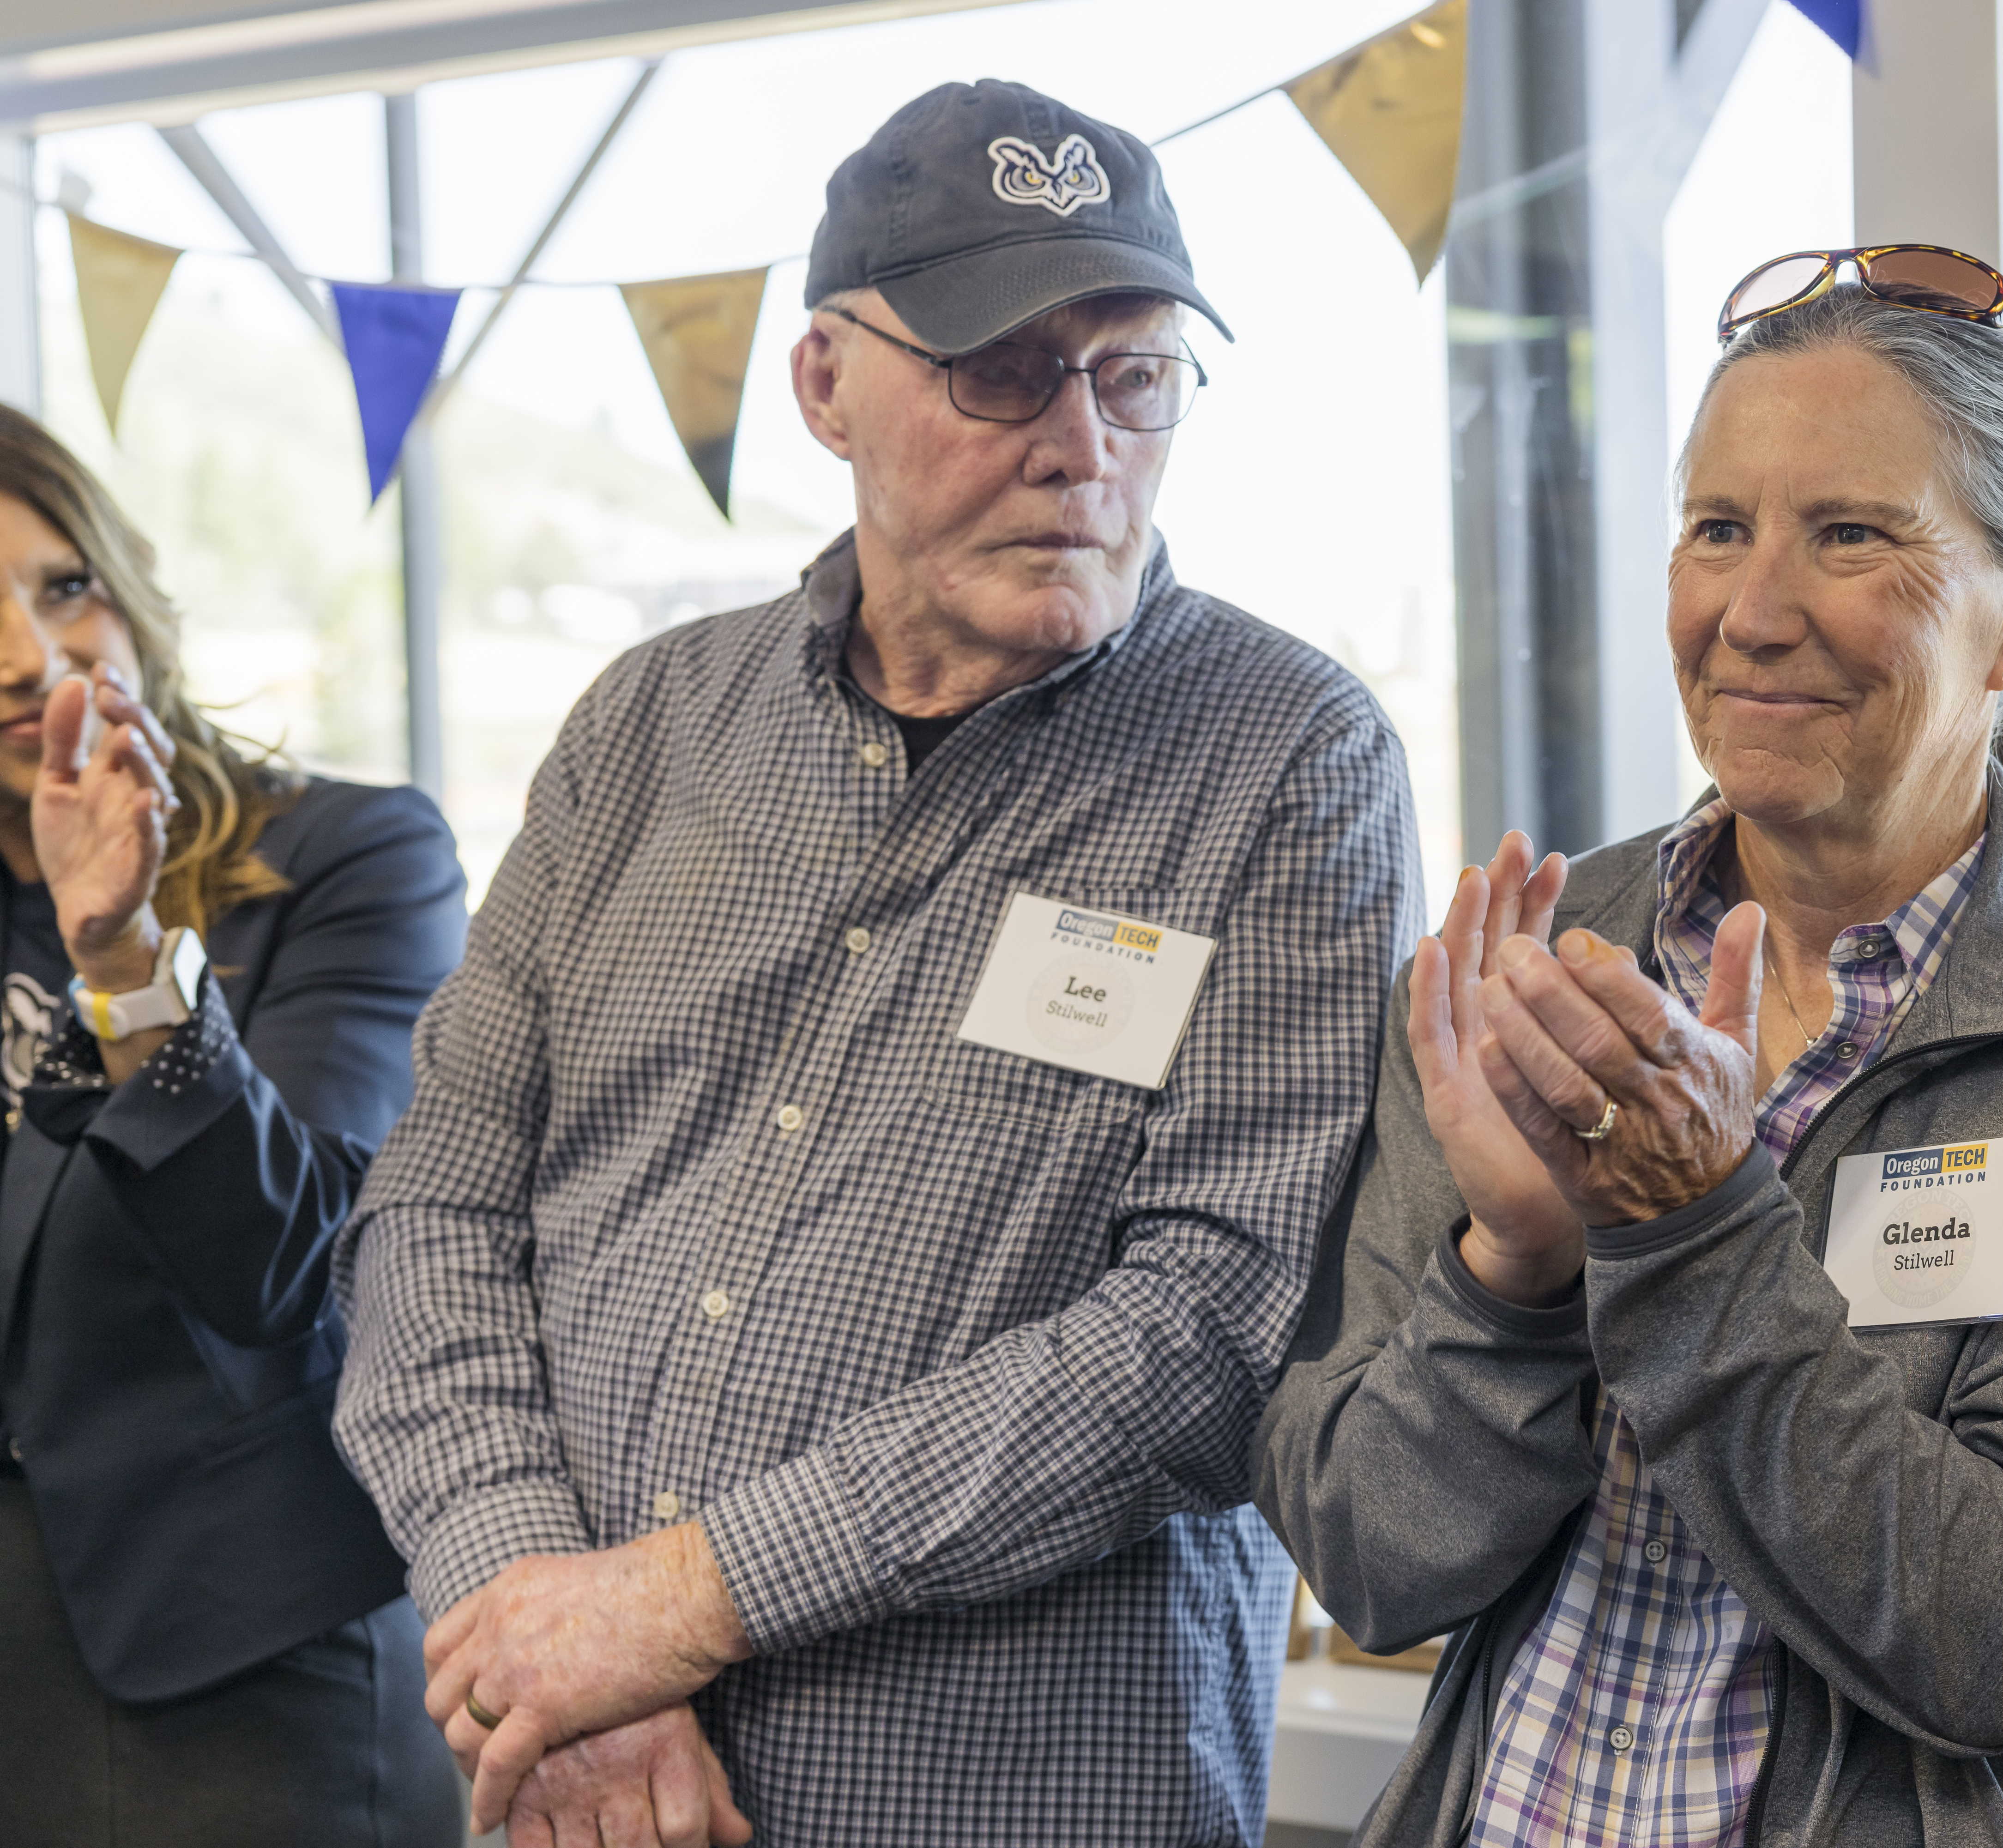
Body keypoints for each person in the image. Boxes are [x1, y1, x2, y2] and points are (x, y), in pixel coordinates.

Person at [332, 79, 1418, 1847]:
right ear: (823, 384)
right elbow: (436, 1212)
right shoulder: (649, 727)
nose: (1081, 444)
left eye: (1134, 374)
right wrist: (550, 1627)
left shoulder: (1290, 759)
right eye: (1003, 373)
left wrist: (673, 1603)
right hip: (578, 1794)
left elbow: (1212, 1325)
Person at [1257, 248, 2003, 1846]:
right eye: (1718, 530)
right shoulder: (1535, 959)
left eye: (1850, 538)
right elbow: (1375, 1561)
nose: (1754, 613)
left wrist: (1695, 1230)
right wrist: (1516, 1268)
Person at [0, 409, 468, 1842]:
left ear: (133, 590)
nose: (33, 653)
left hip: (221, 1656)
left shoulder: (346, 856)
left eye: (63, 585)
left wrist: (127, 954)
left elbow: (288, 1257)